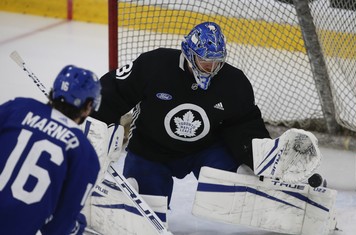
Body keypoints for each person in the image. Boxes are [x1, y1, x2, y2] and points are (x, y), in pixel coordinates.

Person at [91, 21, 271, 206]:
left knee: (241, 188)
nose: (212, 67)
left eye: (217, 62)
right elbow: (113, 91)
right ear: (189, 54)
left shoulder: (234, 82)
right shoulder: (154, 65)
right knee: (149, 207)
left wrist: (259, 159)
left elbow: (244, 124)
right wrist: (98, 127)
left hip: (205, 149)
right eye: (205, 61)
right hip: (151, 150)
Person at [0, 65, 102, 235]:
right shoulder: (85, 153)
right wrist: (77, 225)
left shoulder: (18, 107)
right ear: (89, 105)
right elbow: (57, 228)